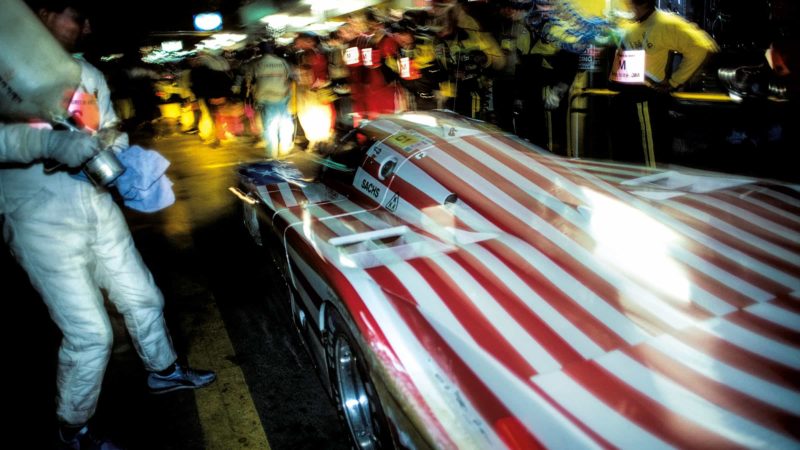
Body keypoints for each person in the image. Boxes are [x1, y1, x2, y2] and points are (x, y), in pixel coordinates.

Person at [1, 1, 216, 448]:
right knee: (90, 335)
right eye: (76, 16)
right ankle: (73, 427)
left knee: (143, 296)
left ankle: (164, 372)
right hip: (39, 220)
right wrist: (50, 145)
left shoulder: (89, 75)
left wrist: (112, 144)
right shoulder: (6, 70)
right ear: (42, 15)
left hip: (97, 206)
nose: (86, 26)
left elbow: (112, 126)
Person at [610, 0, 717, 166]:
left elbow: (702, 47)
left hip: (645, 99)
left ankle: (653, 188)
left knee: (651, 158)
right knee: (629, 156)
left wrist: (675, 81)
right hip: (625, 97)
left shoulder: (664, 23)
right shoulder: (630, 24)